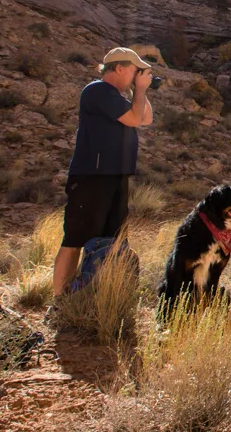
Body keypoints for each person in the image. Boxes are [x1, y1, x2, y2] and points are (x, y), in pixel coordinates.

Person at [52, 47, 155, 297]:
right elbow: (133, 119)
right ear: (119, 68)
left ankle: (94, 295)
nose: (137, 75)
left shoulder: (117, 97)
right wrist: (139, 90)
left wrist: (140, 90)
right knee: (75, 239)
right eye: (134, 70)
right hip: (92, 177)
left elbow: (145, 119)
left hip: (115, 177)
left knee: (112, 240)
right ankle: (59, 298)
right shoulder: (98, 91)